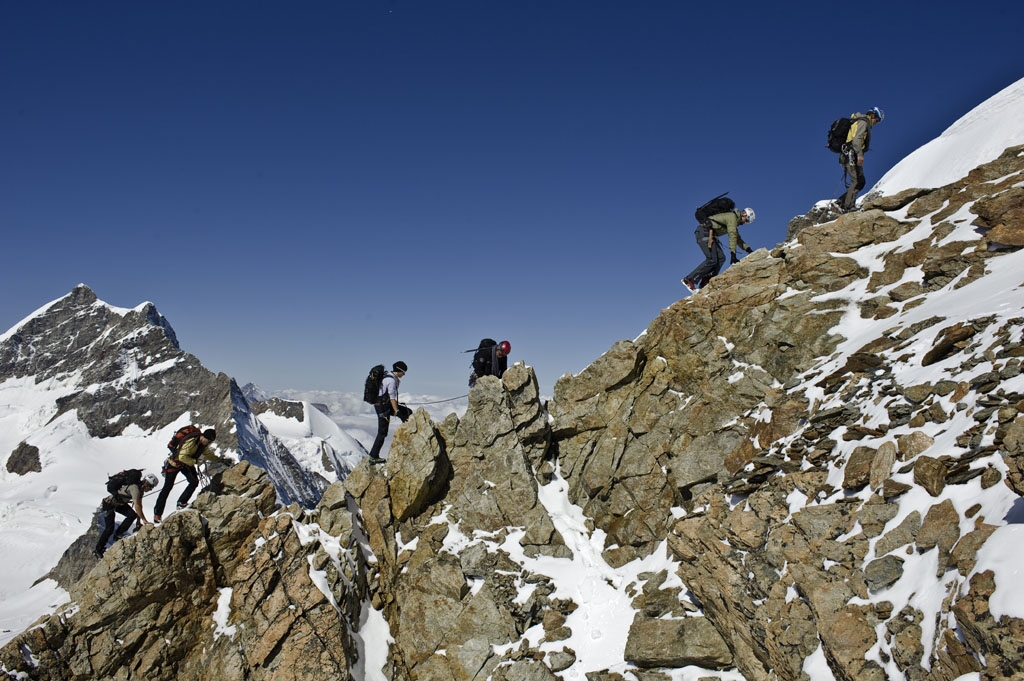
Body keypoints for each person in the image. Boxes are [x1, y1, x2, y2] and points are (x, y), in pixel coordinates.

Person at [153, 427, 226, 522]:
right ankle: (157, 514)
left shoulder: (202, 444)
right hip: (175, 462)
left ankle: (181, 502)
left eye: (210, 442)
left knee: (194, 482)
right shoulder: (191, 441)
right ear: (203, 437)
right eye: (208, 441)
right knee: (167, 487)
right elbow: (182, 456)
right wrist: (194, 461)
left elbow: (208, 455)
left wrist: (220, 460)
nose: (208, 443)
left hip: (184, 464)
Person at [682, 207, 755, 293]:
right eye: (746, 220)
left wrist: (748, 249)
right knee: (712, 259)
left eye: (747, 222)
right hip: (704, 233)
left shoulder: (734, 221)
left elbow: (737, 239)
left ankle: (705, 281)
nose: (745, 223)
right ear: (744, 214)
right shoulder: (732, 218)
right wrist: (733, 253)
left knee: (721, 258)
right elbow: (732, 235)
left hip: (710, 235)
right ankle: (689, 279)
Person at [95, 471, 158, 557]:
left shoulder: (139, 489)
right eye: (151, 487)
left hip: (117, 503)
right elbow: (137, 505)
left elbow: (139, 506)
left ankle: (118, 534)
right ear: (146, 484)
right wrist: (144, 520)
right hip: (109, 504)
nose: (150, 489)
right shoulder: (136, 489)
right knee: (109, 528)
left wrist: (138, 522)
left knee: (132, 515)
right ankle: (98, 549)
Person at [839, 107, 884, 211]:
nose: (876, 122)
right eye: (876, 120)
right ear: (872, 115)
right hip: (851, 154)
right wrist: (859, 155)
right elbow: (856, 140)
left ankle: (842, 201)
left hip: (850, 154)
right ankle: (848, 206)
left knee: (861, 181)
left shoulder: (860, 122)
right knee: (856, 180)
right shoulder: (863, 123)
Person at [368, 361, 412, 464]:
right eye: (403, 372)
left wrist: (398, 410)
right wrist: (397, 411)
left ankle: (408, 431)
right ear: (399, 371)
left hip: (383, 404)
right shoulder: (391, 380)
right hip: (383, 407)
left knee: (407, 411)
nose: (404, 374)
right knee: (382, 432)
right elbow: (392, 398)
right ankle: (373, 456)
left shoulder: (389, 377)